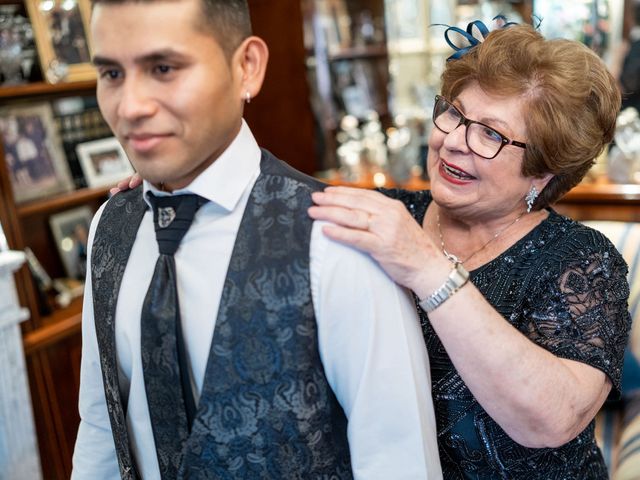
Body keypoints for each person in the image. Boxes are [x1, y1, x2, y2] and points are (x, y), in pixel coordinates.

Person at [71, 0, 442, 479]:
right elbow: (102, 427)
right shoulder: (111, 227)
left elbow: (397, 462)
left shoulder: (335, 238)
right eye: (112, 75)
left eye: (163, 68)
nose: (130, 107)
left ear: (247, 67)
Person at [308, 23, 632, 479]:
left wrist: (427, 268)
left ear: (543, 172)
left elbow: (553, 419)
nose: (454, 141)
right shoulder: (390, 213)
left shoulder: (580, 263)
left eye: (490, 135)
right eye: (454, 114)